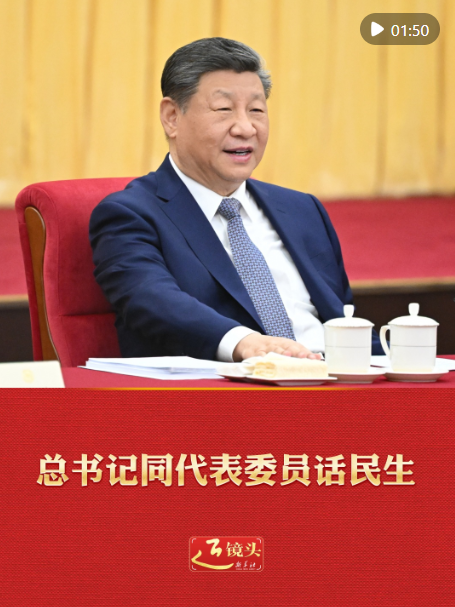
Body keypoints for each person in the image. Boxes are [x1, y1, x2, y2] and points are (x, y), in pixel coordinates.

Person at [90, 37, 383, 362]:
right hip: (234, 384)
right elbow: (152, 299)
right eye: (224, 109)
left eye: (256, 110)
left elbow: (345, 318)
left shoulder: (303, 210)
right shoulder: (130, 214)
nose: (246, 128)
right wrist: (246, 343)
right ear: (172, 117)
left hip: (337, 379)